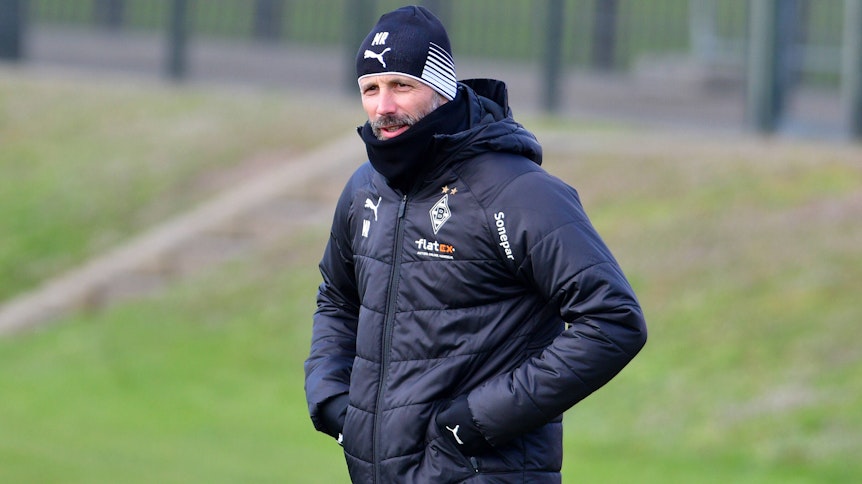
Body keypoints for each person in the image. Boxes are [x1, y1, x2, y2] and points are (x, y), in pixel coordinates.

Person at [304, 5, 647, 483]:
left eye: (402, 85)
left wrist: (473, 423)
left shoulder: (519, 191)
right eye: (371, 89)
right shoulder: (365, 189)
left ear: (441, 88)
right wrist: (331, 399)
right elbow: (338, 298)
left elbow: (613, 320)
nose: (384, 106)